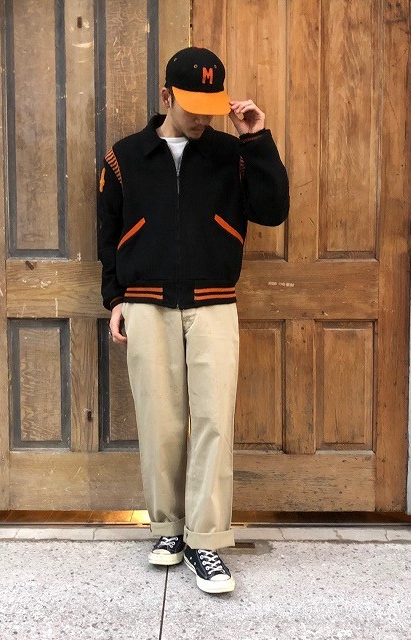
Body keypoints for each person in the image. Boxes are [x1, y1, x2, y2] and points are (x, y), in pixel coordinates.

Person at [97, 46, 289, 594]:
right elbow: (108, 234)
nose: (203, 119)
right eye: (192, 108)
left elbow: (272, 210)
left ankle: (206, 540)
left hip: (214, 302)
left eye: (211, 107)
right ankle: (167, 530)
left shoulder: (233, 153)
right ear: (166, 97)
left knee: (212, 423)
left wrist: (257, 138)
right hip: (147, 303)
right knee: (159, 425)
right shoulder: (125, 157)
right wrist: (116, 298)